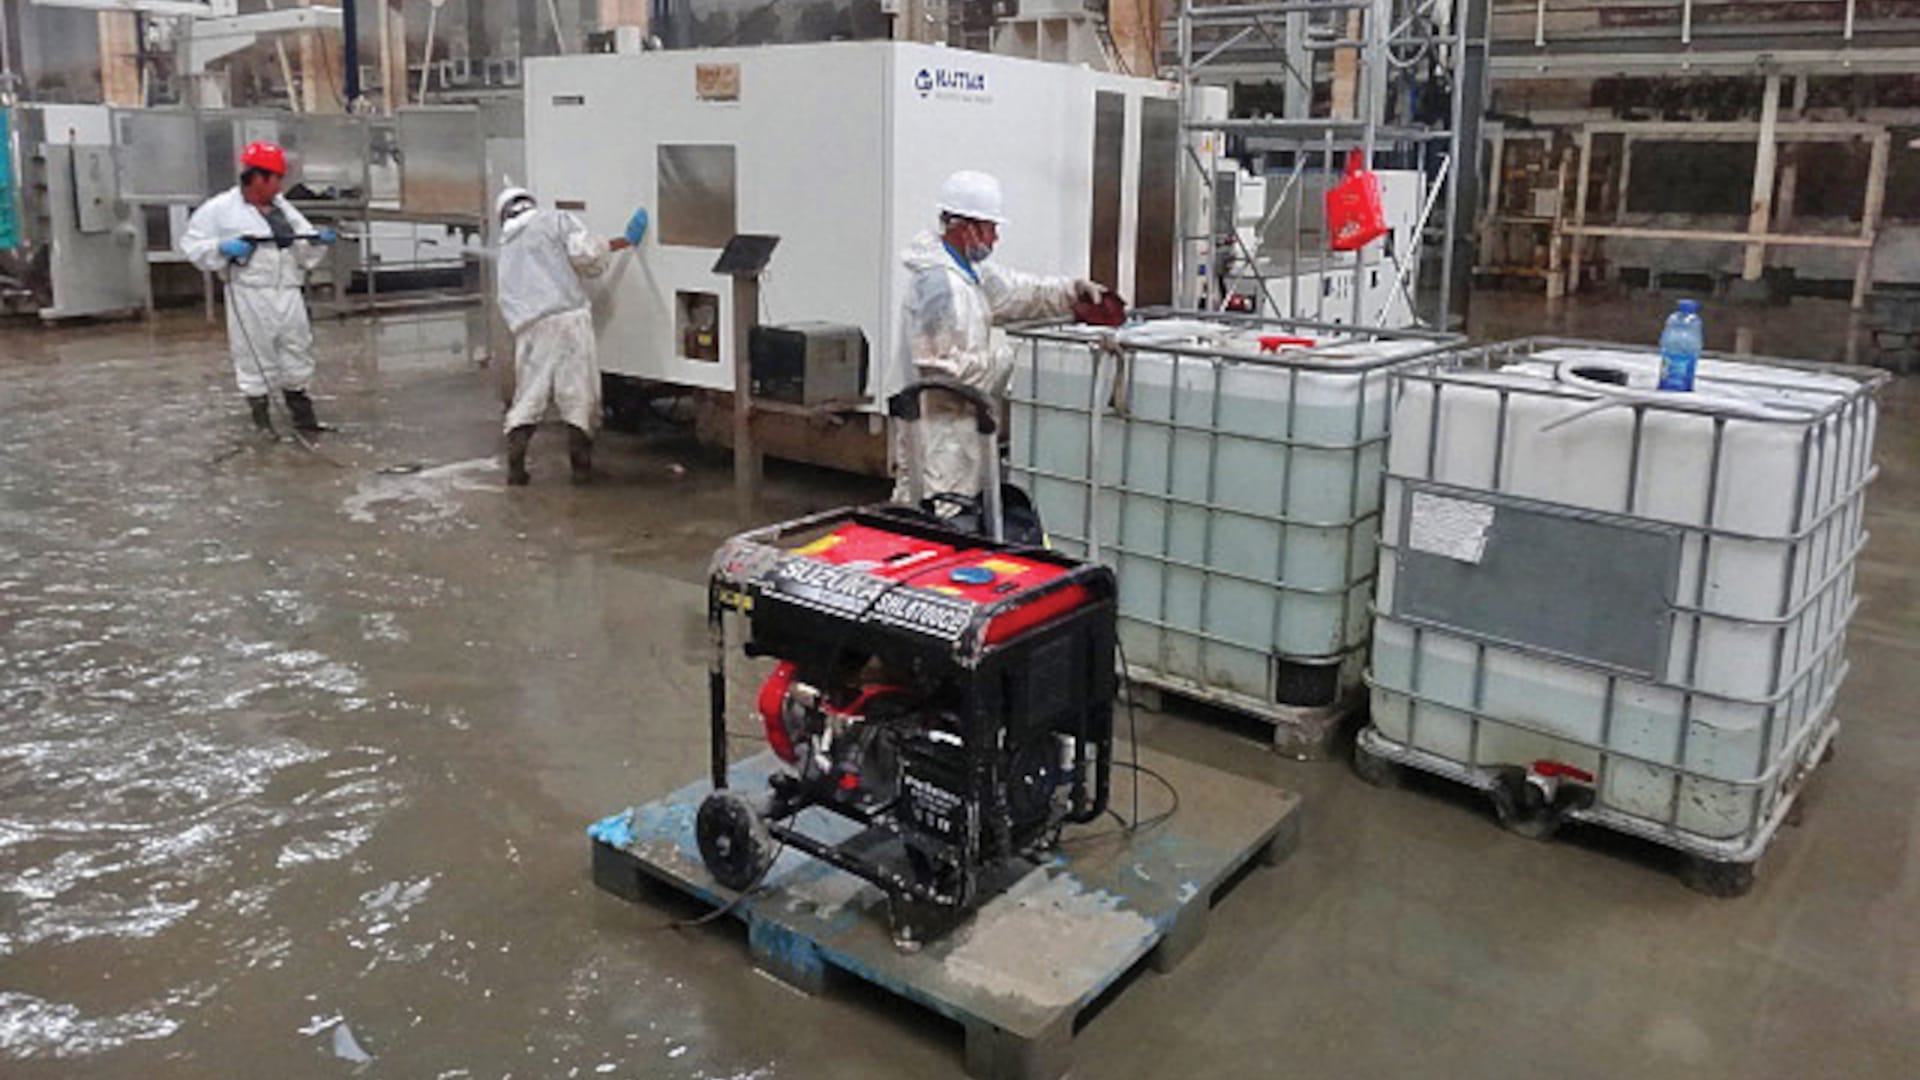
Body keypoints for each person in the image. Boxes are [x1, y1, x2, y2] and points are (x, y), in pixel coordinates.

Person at [890, 170, 1107, 507]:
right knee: (935, 517)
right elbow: (938, 370)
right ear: (966, 227)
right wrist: (1006, 359)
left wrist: (1070, 292)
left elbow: (1015, 292)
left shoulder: (968, 274)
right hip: (936, 438)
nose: (995, 239)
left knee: (958, 519)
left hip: (959, 434)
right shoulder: (938, 285)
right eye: (991, 229)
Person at [180, 141, 338, 435]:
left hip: (288, 290)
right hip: (250, 294)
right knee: (255, 355)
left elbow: (301, 243)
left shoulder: (281, 208)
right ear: (258, 177)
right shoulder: (220, 209)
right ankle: (262, 422)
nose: (280, 187)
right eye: (277, 179)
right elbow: (192, 244)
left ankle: (304, 418)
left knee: (297, 348)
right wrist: (221, 247)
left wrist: (316, 240)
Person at [494, 186, 649, 485]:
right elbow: (586, 255)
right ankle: (581, 470)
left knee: (528, 396)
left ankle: (516, 467)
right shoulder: (557, 221)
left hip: (529, 328)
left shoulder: (507, 246)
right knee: (579, 397)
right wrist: (622, 241)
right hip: (568, 321)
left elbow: (507, 299)